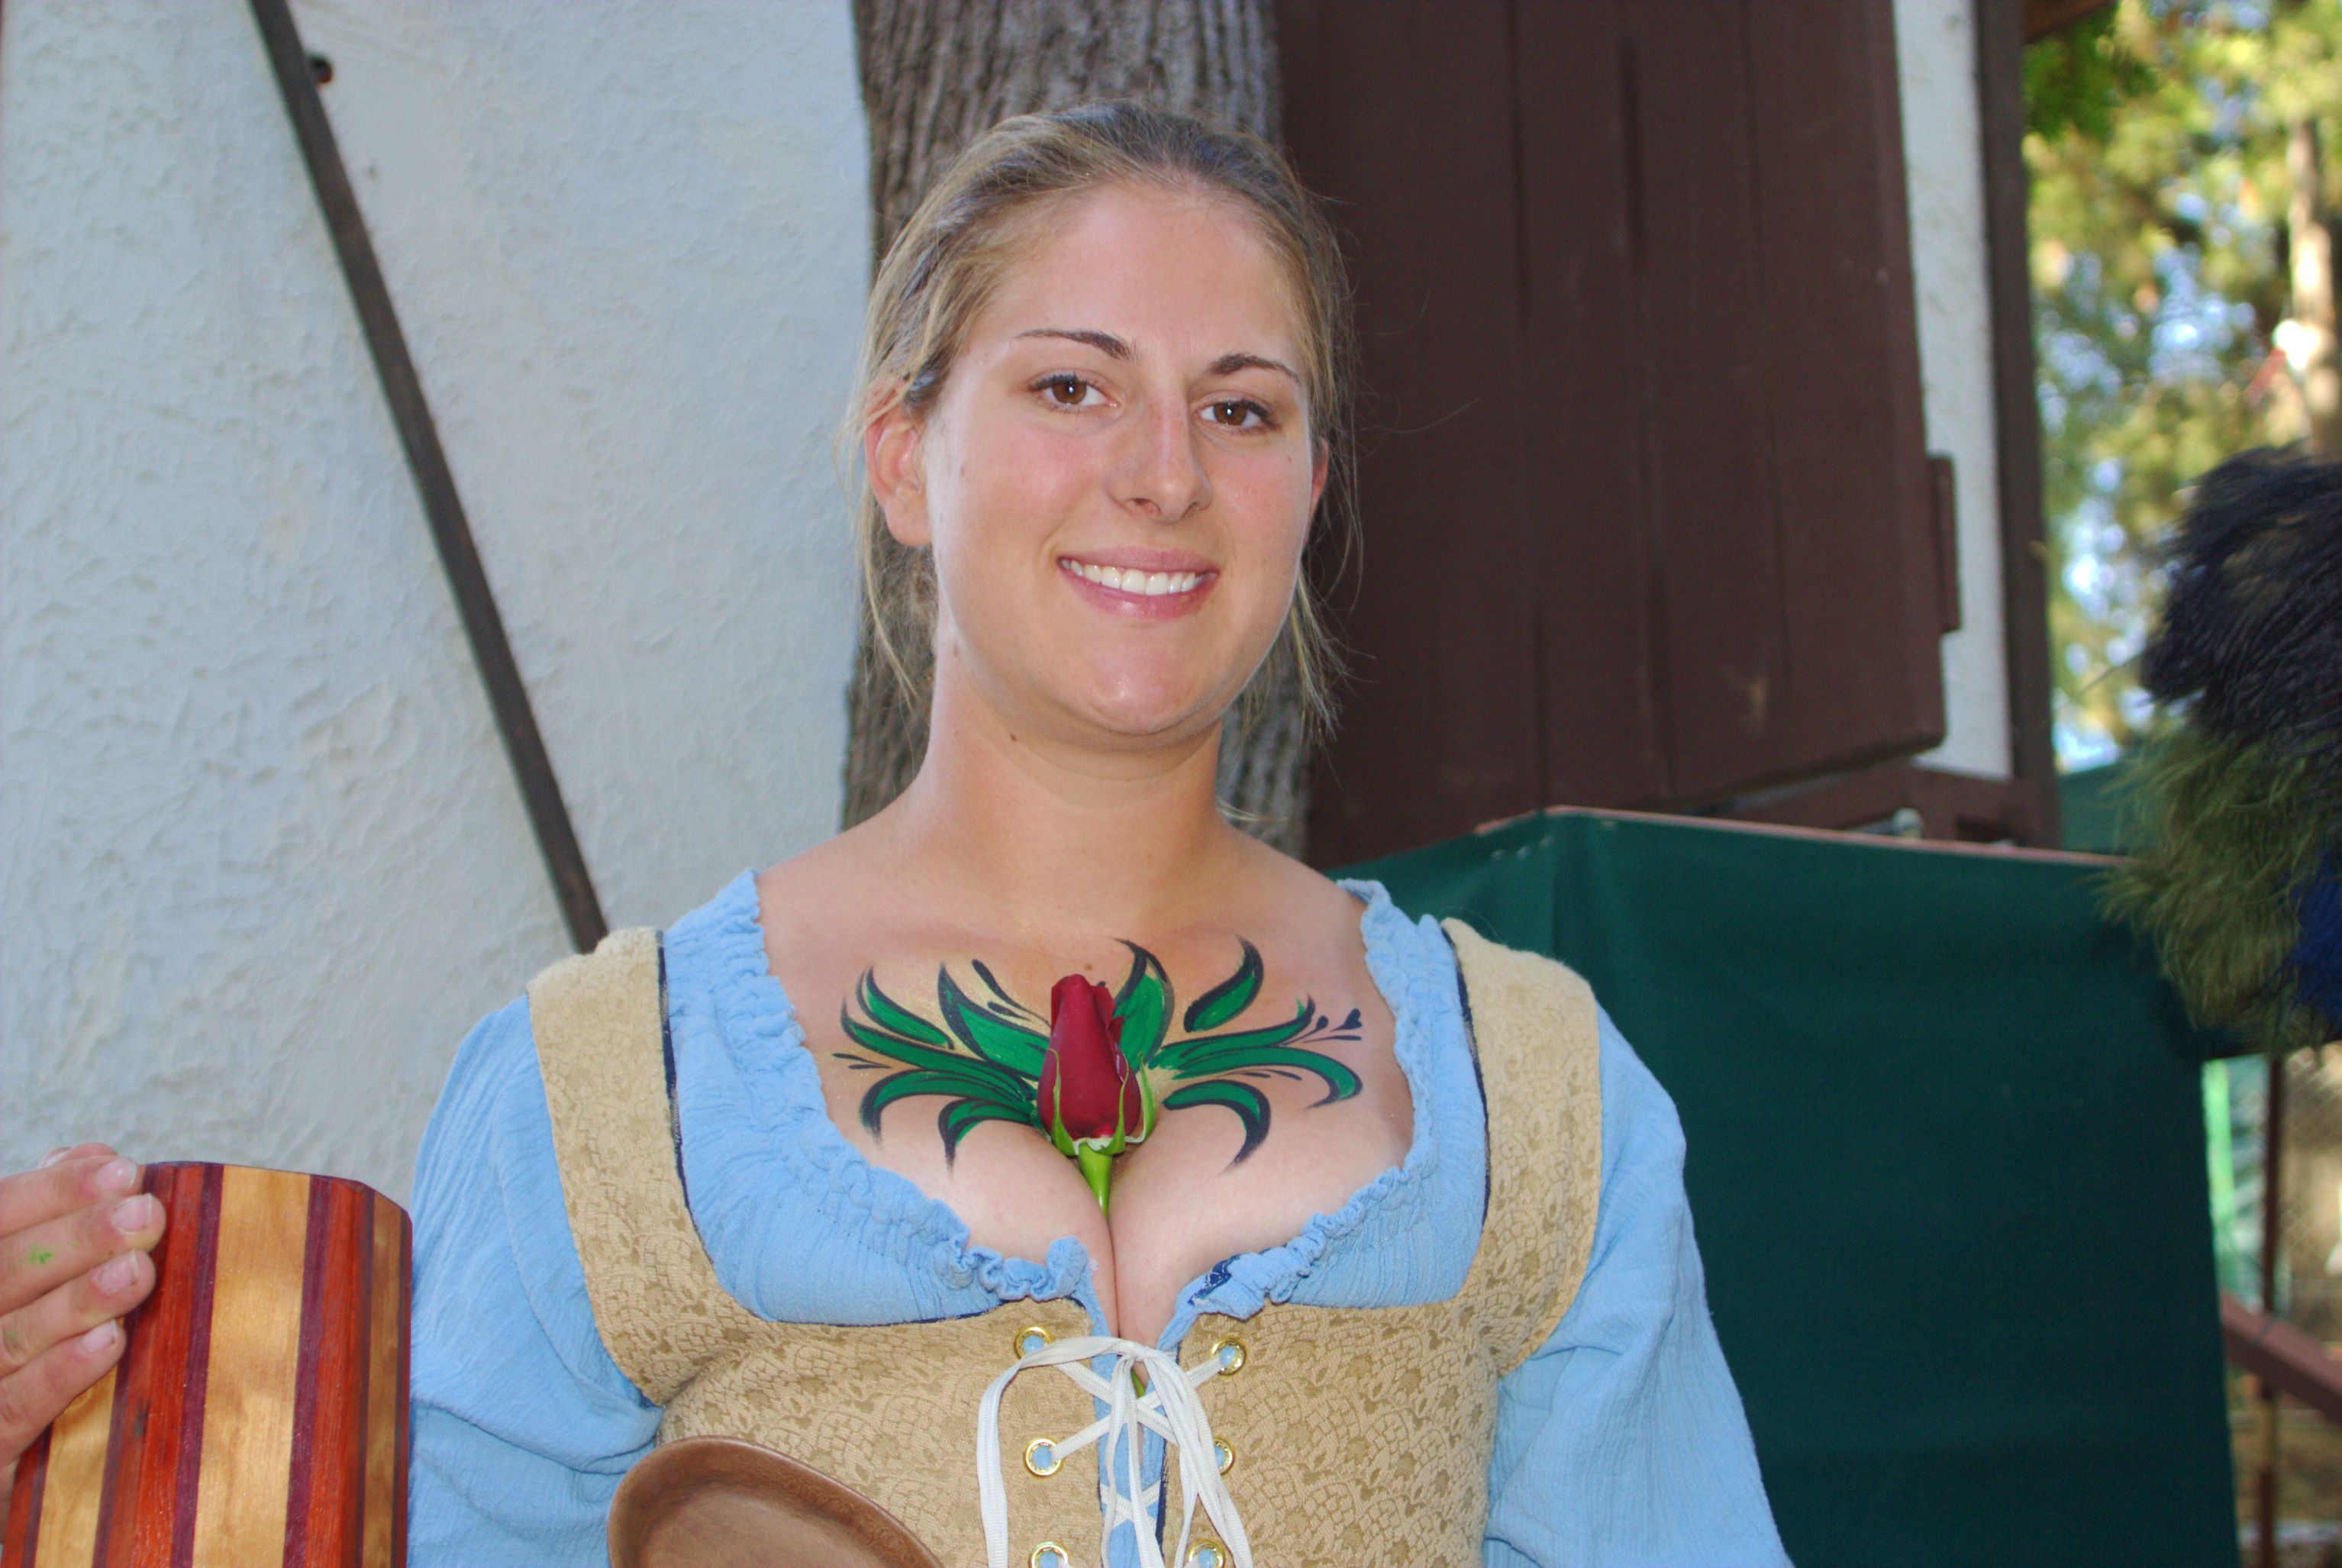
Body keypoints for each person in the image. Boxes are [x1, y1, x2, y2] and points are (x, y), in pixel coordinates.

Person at [0, 101, 1786, 1567]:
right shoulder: (617, 1093)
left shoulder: (1533, 1093)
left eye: (1241, 408)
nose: (1164, 473)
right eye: (1070, 386)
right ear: (900, 454)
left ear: (1308, 488)